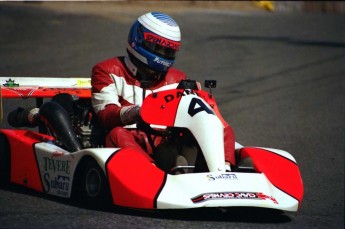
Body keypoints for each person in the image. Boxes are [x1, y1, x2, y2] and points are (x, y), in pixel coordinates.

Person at [91, 12, 235, 170]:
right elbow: (105, 115)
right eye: (157, 47)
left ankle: (224, 170)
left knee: (217, 124)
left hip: (166, 140)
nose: (162, 55)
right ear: (138, 39)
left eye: (168, 51)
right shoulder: (107, 70)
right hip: (132, 138)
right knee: (116, 133)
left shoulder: (178, 78)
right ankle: (148, 172)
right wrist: (137, 112)